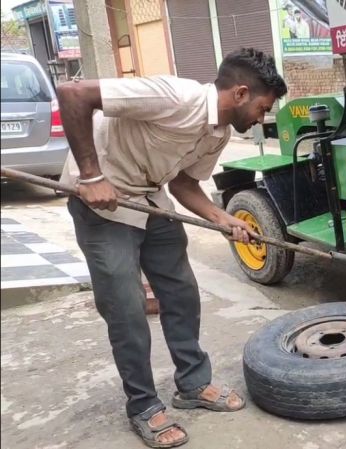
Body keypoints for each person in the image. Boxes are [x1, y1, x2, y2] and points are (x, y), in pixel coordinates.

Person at [56, 47, 287, 448]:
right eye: (262, 109)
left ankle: (193, 384)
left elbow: (182, 182)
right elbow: (73, 93)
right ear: (240, 93)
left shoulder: (218, 132)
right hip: (103, 205)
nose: (261, 119)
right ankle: (144, 405)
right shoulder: (173, 96)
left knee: (181, 293)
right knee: (126, 308)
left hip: (150, 199)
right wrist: (91, 176)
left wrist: (222, 218)